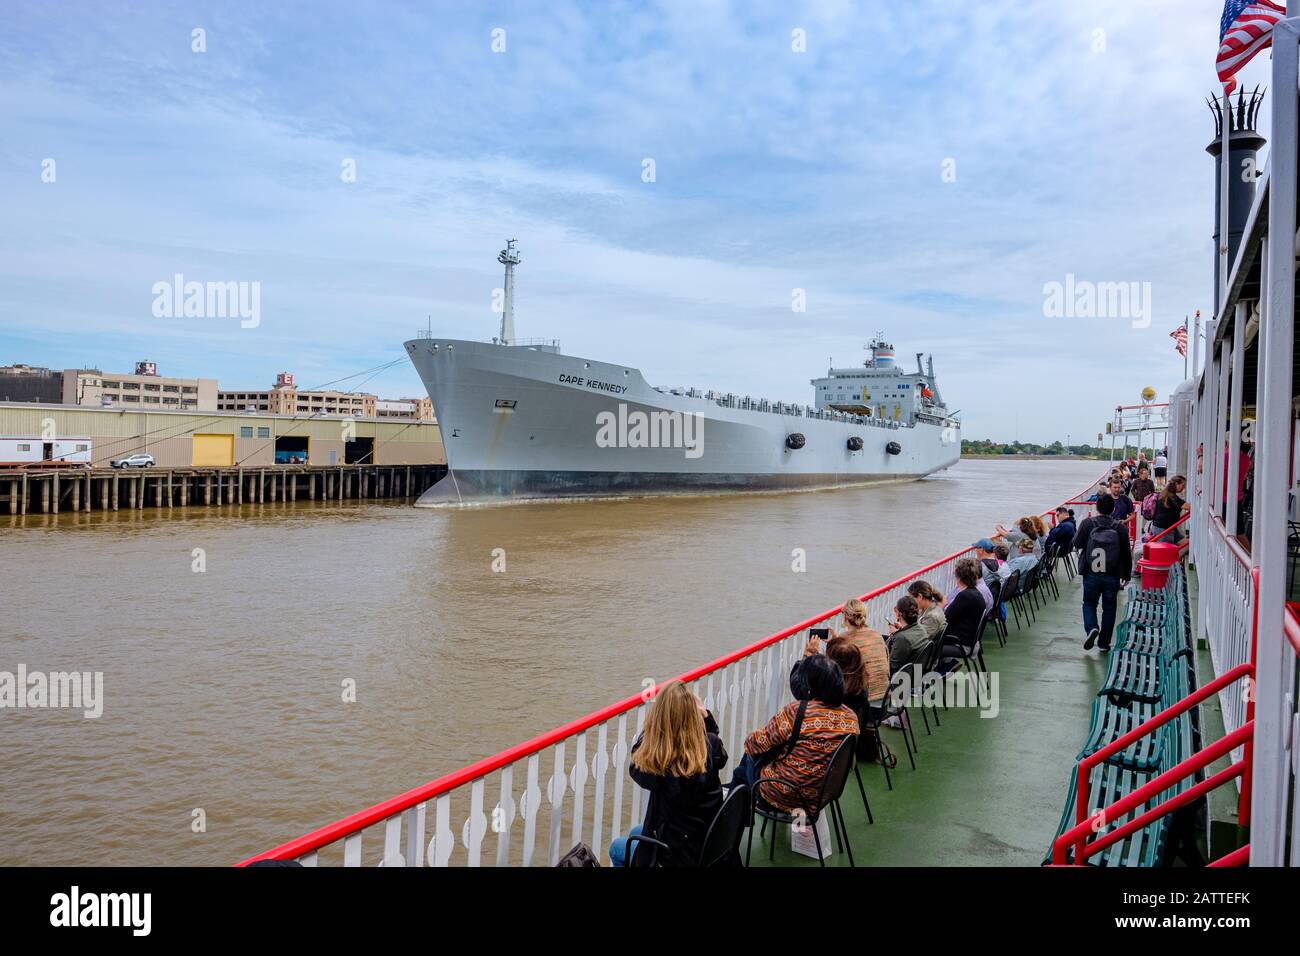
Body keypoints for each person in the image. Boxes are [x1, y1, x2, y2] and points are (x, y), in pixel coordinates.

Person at [609, 680, 728, 866]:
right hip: (704, 841)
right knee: (635, 831)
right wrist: (706, 719)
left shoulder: (661, 768)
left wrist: (654, 726)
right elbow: (720, 753)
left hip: (675, 855)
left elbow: (636, 761)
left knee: (616, 848)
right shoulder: (710, 747)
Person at [730, 655, 859, 815]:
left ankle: (729, 819)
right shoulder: (851, 717)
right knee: (746, 768)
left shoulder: (797, 711)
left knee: (747, 760)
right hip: (822, 794)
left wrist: (752, 737)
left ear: (809, 686)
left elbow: (754, 744)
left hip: (788, 797)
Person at [1073, 493, 1133, 652]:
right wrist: (1126, 574)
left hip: (1091, 572)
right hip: (1112, 574)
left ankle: (1092, 627)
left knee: (1089, 602)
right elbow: (1127, 553)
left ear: (1097, 507)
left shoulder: (1087, 524)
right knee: (1109, 608)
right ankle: (1104, 643)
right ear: (1113, 509)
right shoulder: (1120, 527)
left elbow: (1077, 543)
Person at [811, 598, 889, 716]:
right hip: (884, 701)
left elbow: (830, 672)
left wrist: (814, 653)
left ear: (845, 618)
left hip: (862, 706)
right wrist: (837, 641)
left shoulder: (846, 640)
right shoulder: (877, 635)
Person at [940, 559, 986, 659]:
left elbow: (944, 619)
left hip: (961, 644)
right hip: (969, 641)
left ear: (958, 577)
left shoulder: (964, 596)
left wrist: (941, 606)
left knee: (924, 647)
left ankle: (942, 669)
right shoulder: (976, 593)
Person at [886, 595, 930, 674]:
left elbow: (891, 668)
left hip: (903, 679)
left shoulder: (901, 638)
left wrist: (894, 635)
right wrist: (899, 631)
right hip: (917, 673)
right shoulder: (921, 629)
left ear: (898, 614)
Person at [1150, 475, 1190, 544]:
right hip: (1163, 529)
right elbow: (1187, 506)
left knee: (1187, 543)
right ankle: (1175, 555)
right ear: (1176, 484)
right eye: (1183, 485)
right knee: (1166, 552)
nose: (1184, 488)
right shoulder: (1171, 496)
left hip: (1168, 528)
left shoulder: (1166, 493)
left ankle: (1176, 555)